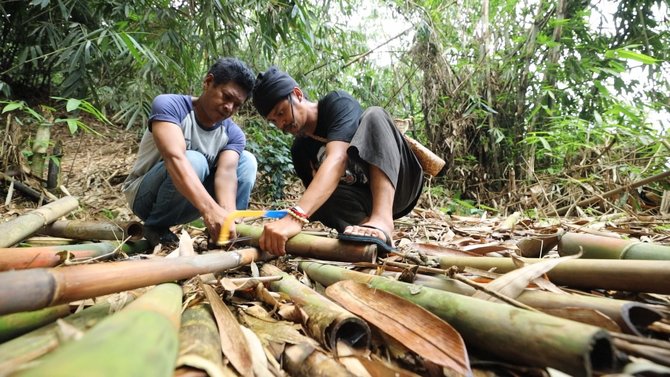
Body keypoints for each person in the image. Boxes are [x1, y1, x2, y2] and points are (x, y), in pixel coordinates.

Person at [251, 66, 424, 256]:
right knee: (318, 198)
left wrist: (296, 216)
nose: (281, 124)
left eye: (282, 112)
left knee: (375, 115)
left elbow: (338, 157)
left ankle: (382, 220)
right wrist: (294, 214)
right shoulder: (300, 151)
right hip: (360, 201)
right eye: (274, 121)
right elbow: (319, 203)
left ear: (298, 94)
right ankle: (366, 230)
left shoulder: (336, 103)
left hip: (400, 184)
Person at [122, 57, 257, 247]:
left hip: (190, 201)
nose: (229, 108)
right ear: (208, 82)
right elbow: (175, 158)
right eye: (226, 97)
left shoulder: (233, 134)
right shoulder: (170, 106)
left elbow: (226, 175)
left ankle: (227, 231)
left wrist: (227, 217)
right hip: (145, 197)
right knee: (194, 160)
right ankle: (156, 226)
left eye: (237, 105)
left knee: (247, 161)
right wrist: (210, 210)